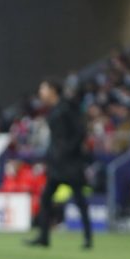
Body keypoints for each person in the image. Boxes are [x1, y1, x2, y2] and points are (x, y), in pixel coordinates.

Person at [26, 79, 93, 249]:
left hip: (70, 163)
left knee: (79, 200)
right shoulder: (54, 109)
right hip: (57, 163)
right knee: (46, 198)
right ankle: (44, 237)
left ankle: (88, 238)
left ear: (52, 90)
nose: (41, 93)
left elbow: (80, 131)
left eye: (43, 88)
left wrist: (68, 151)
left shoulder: (66, 107)